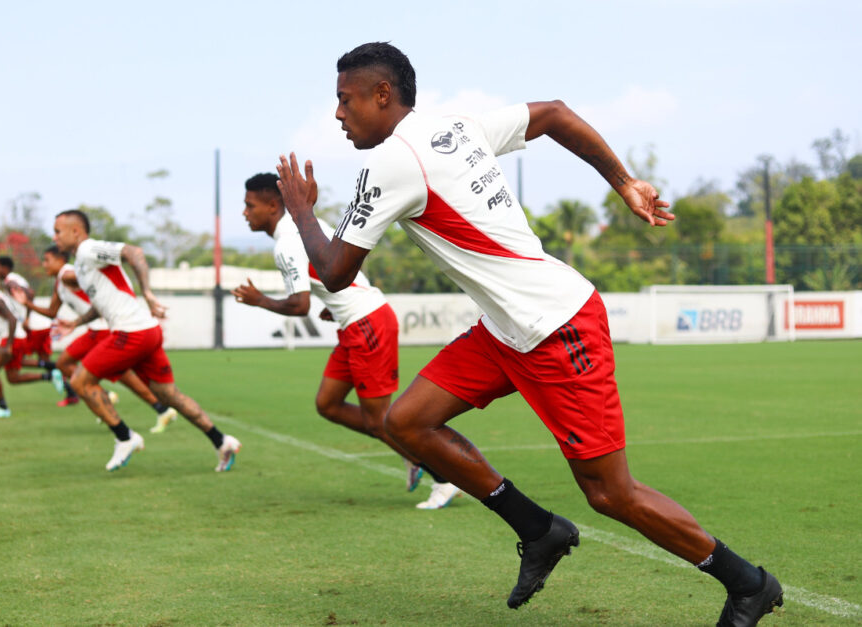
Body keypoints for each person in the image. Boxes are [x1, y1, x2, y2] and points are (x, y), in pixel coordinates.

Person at [274, 42, 782, 624]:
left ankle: (747, 583)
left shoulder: (392, 162)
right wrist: (624, 181)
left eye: (345, 99)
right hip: (508, 331)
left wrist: (301, 211)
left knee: (611, 494)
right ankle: (539, 531)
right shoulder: (457, 126)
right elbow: (557, 114)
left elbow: (336, 273)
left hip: (557, 328)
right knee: (407, 421)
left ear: (381, 94)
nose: (339, 114)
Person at [234, 173, 460, 509]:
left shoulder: (286, 245)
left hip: (368, 325)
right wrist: (336, 300)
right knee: (328, 404)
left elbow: (299, 305)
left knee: (382, 421)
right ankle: (412, 457)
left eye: (249, 205)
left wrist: (259, 300)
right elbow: (344, 264)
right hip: (355, 323)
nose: (244, 212)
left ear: (271, 206)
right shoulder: (313, 226)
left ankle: (443, 478)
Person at [51, 209, 241, 472]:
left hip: (132, 333)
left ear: (75, 231)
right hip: (147, 331)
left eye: (58, 231)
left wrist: (148, 293)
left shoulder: (88, 250)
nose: (55, 237)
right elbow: (102, 303)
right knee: (169, 395)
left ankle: (125, 437)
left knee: (80, 381)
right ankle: (222, 441)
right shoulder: (82, 265)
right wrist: (76, 323)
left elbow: (134, 253)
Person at [12, 245, 179, 433]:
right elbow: (52, 312)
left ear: (61, 260)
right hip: (96, 329)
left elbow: (90, 278)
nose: (44, 265)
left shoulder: (67, 274)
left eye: (47, 260)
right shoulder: (60, 282)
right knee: (114, 374)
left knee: (74, 366)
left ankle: (112, 400)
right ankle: (158, 408)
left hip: (103, 329)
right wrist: (27, 304)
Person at [0, 272, 64, 419]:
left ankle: (3, 408)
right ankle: (50, 375)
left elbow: (12, 319)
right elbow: (6, 318)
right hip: (14, 337)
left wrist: (8, 344)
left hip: (12, 339)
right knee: (13, 378)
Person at [0, 255, 54, 367]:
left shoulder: (10, 281)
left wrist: (27, 317)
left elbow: (30, 293)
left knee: (15, 358)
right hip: (42, 325)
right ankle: (62, 376)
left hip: (34, 326)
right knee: (45, 362)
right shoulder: (15, 278)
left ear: (4, 267)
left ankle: (58, 369)